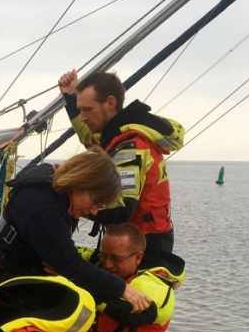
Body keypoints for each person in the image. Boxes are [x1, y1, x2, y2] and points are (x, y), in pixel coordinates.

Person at [0, 147, 152, 312]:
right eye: (95, 202)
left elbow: (64, 262)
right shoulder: (43, 206)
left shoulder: (53, 185)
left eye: (100, 206)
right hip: (3, 281)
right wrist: (122, 288)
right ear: (81, 181)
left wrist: (63, 266)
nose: (94, 212)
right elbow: (71, 265)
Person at [58, 69, 184, 257]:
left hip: (145, 246)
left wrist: (70, 203)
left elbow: (120, 210)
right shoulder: (115, 134)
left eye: (87, 110)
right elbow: (89, 137)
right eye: (80, 109)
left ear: (110, 103)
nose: (83, 117)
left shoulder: (130, 148)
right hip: (130, 241)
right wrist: (70, 97)